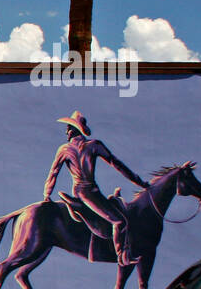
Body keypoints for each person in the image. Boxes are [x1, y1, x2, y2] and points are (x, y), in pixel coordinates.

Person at [43, 111, 147, 265]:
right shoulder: (94, 145)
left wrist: (47, 193)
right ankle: (122, 257)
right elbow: (117, 164)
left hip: (83, 191)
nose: (66, 131)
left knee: (115, 205)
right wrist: (139, 182)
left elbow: (53, 173)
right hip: (89, 193)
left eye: (68, 128)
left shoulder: (64, 149)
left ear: (73, 129)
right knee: (119, 222)